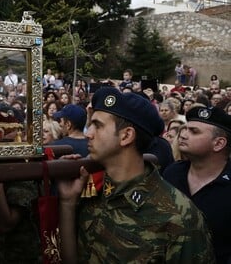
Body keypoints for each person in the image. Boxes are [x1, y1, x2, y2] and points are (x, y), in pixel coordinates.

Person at [56, 87, 215, 263]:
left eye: (98, 126)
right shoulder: (92, 191)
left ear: (126, 136)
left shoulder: (179, 217)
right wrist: (68, 202)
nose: (88, 134)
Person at [163, 106, 231, 263]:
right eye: (185, 129)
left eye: (194, 131)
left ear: (218, 143)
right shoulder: (172, 173)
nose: (183, 135)